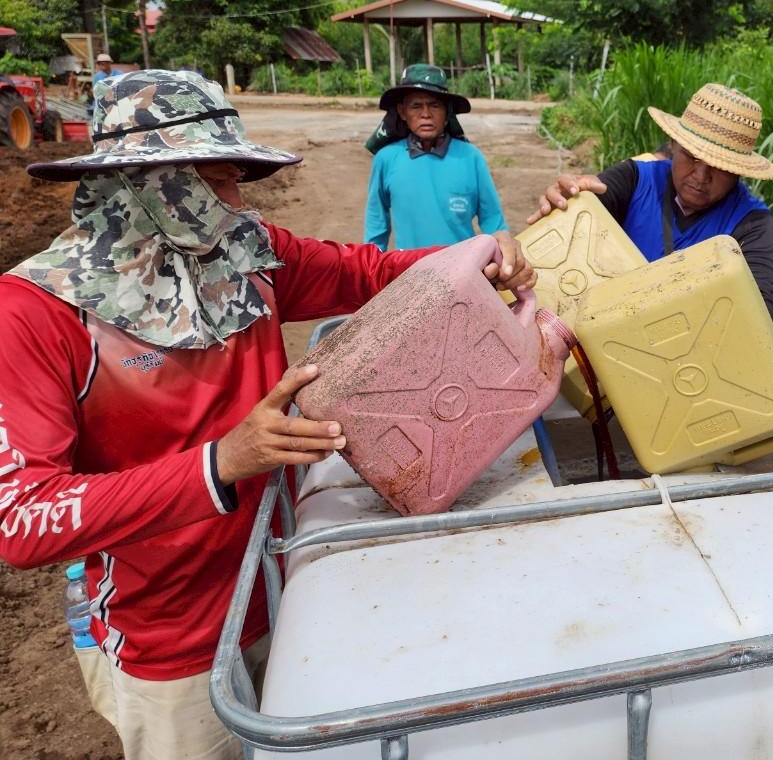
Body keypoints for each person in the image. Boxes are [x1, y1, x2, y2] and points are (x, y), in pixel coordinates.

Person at [0, 69, 534, 760]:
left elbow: (366, 272)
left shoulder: (250, 253)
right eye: (213, 181)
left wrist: (478, 255)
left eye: (236, 179)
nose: (234, 202)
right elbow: (21, 518)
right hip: (172, 639)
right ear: (141, 183)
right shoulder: (39, 312)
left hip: (285, 586)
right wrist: (220, 462)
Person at [527, 83, 773, 322]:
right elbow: (581, 216)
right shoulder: (635, 179)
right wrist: (568, 203)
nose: (701, 177)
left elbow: (761, 313)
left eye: (720, 167)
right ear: (673, 145)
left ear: (739, 172)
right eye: (691, 157)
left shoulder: (752, 222)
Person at [364, 63, 506, 250]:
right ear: (402, 112)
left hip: (462, 273)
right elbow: (376, 227)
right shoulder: (386, 159)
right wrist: (371, 273)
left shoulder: (470, 158)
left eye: (434, 105)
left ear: (447, 112)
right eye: (416, 106)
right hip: (408, 273)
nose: (425, 114)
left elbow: (493, 222)